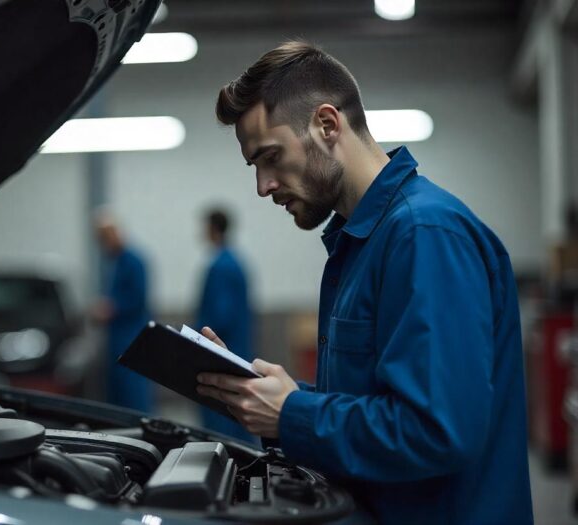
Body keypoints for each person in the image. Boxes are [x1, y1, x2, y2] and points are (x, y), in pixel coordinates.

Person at [195, 41, 533, 524]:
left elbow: (437, 429)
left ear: (327, 125)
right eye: (255, 166)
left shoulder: (423, 234)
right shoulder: (362, 243)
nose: (263, 185)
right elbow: (376, 403)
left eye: (271, 156)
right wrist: (275, 398)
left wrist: (292, 414)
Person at [196, 209, 256, 443]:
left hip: (222, 352)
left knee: (224, 423)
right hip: (239, 347)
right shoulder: (236, 261)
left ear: (213, 229)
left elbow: (220, 317)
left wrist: (196, 334)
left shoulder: (220, 266)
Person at [91, 210, 153, 413]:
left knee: (134, 396)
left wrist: (111, 309)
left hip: (132, 337)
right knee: (118, 399)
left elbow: (138, 298)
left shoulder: (133, 261)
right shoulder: (116, 262)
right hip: (118, 338)